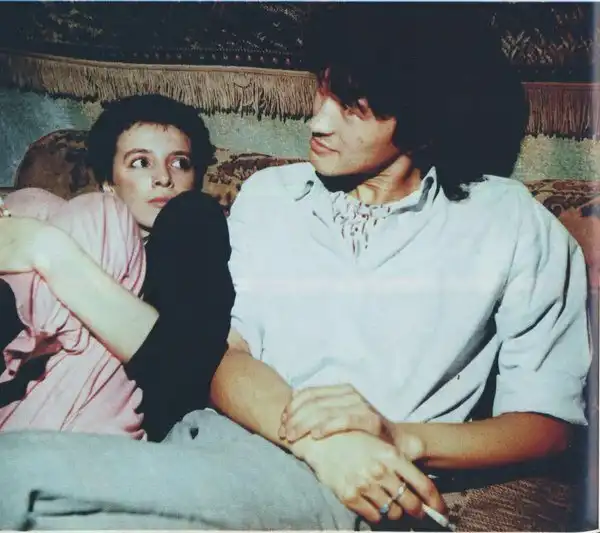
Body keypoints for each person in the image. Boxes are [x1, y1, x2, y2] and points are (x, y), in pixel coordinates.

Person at [0, 5, 591, 530]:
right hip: (220, 441)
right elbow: (226, 358)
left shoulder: (513, 224)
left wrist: (399, 437)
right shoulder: (272, 196)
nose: (318, 122)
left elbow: (550, 425)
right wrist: (317, 444)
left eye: (351, 107)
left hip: (340, 488)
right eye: (321, 92)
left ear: (422, 116)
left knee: (18, 477)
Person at [0, 94, 234, 441]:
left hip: (107, 424)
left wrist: (44, 248)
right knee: (34, 203)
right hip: (23, 394)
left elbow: (181, 373)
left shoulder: (195, 221)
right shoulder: (68, 216)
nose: (163, 178)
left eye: (179, 163)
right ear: (109, 182)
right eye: (140, 162)